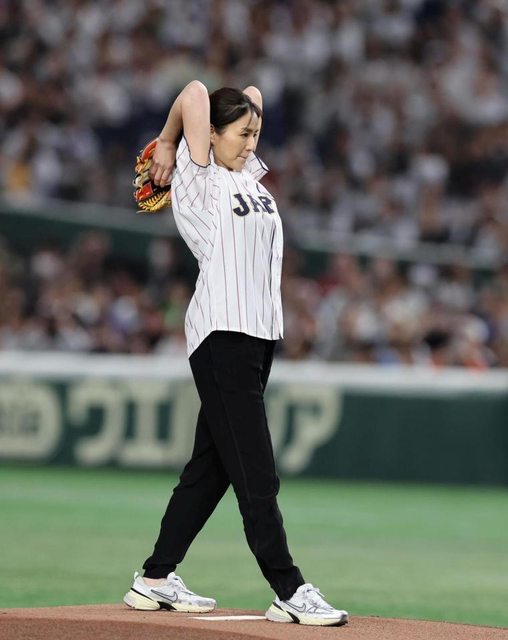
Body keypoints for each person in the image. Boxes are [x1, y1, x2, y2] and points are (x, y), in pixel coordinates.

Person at [123, 80, 348, 627]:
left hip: (256, 336)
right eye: (242, 134)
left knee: (212, 469)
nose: (252, 143)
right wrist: (168, 141)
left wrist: (245, 118)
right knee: (256, 471)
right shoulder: (199, 178)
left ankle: (154, 578)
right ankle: (289, 588)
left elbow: (250, 93)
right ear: (210, 136)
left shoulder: (243, 173)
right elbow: (196, 92)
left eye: (255, 134)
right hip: (223, 334)